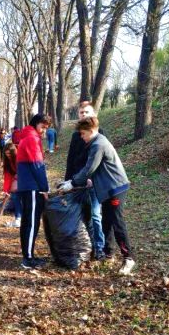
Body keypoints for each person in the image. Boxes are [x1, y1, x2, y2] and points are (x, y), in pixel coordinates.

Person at [59, 116, 134, 275]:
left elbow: (89, 169)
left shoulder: (99, 144)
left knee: (117, 222)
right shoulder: (95, 143)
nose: (81, 136)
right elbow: (93, 170)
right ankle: (108, 254)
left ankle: (129, 258)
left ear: (91, 131)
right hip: (107, 189)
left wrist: (71, 183)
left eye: (83, 133)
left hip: (115, 188)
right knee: (106, 221)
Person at [65, 101, 106, 259]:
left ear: (93, 115)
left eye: (87, 112)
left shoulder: (100, 134)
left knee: (96, 215)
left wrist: (92, 178)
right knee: (79, 214)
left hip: (93, 182)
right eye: (81, 113)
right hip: (77, 182)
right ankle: (82, 247)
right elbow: (71, 159)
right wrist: (69, 181)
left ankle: (99, 248)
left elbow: (99, 160)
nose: (84, 115)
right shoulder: (76, 135)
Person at [17, 114, 51, 269]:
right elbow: (37, 165)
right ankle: (28, 258)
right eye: (43, 127)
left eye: (46, 128)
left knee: (27, 222)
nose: (44, 131)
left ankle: (28, 254)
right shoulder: (32, 138)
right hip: (32, 186)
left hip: (27, 185)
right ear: (36, 124)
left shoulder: (27, 137)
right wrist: (44, 188)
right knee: (31, 223)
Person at [2, 142, 21, 228]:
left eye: (9, 154)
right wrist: (6, 190)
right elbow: (7, 176)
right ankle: (18, 217)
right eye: (6, 154)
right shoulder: (7, 162)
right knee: (15, 196)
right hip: (16, 182)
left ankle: (20, 217)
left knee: (21, 197)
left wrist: (18, 176)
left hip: (25, 181)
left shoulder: (20, 157)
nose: (8, 156)